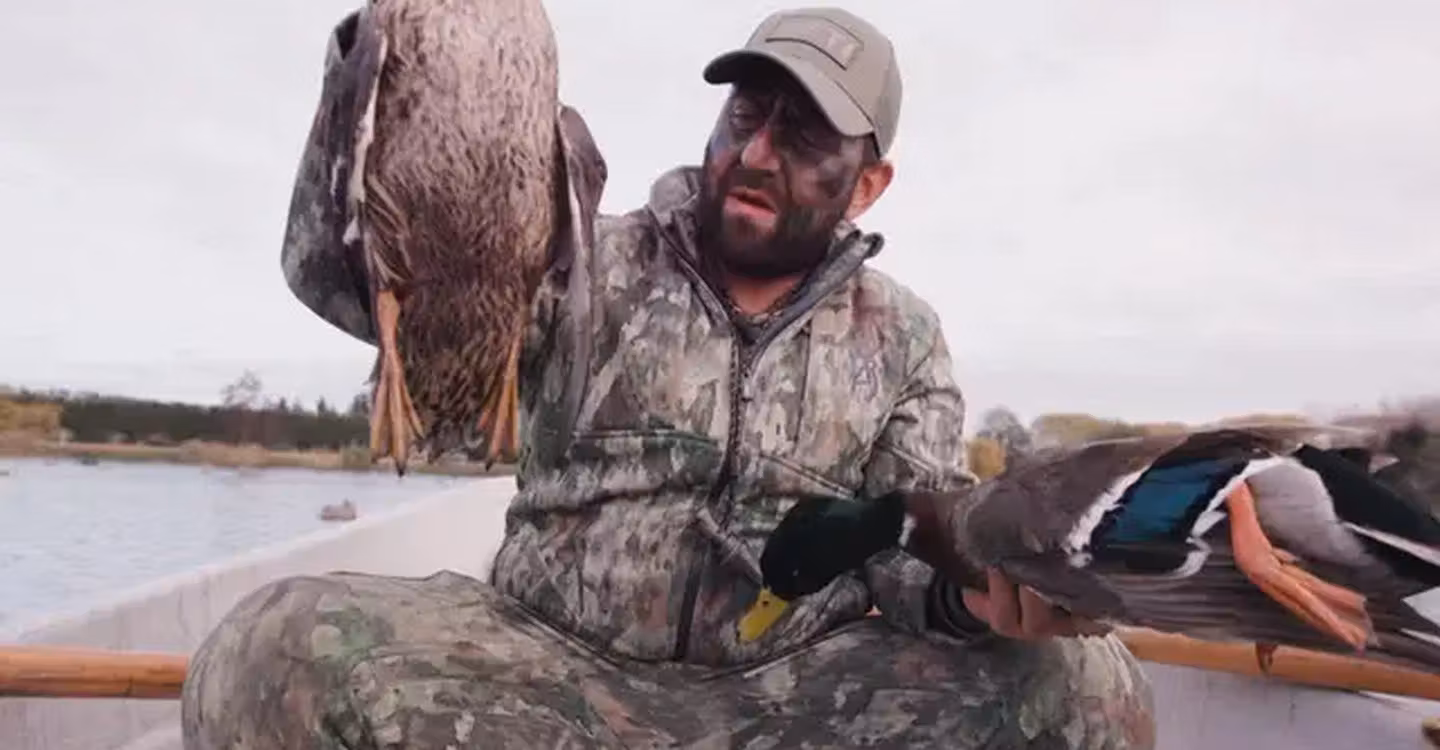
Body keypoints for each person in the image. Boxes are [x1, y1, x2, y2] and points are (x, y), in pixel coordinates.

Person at [181, 7, 1155, 749]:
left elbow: (904, 552)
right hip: (546, 676)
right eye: (747, 114)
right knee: (268, 648)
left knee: (1087, 687)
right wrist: (372, 72)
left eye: (804, 137)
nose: (757, 153)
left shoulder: (904, 338)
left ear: (868, 183)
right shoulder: (583, 256)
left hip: (786, 702)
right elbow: (337, 284)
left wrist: (980, 595)